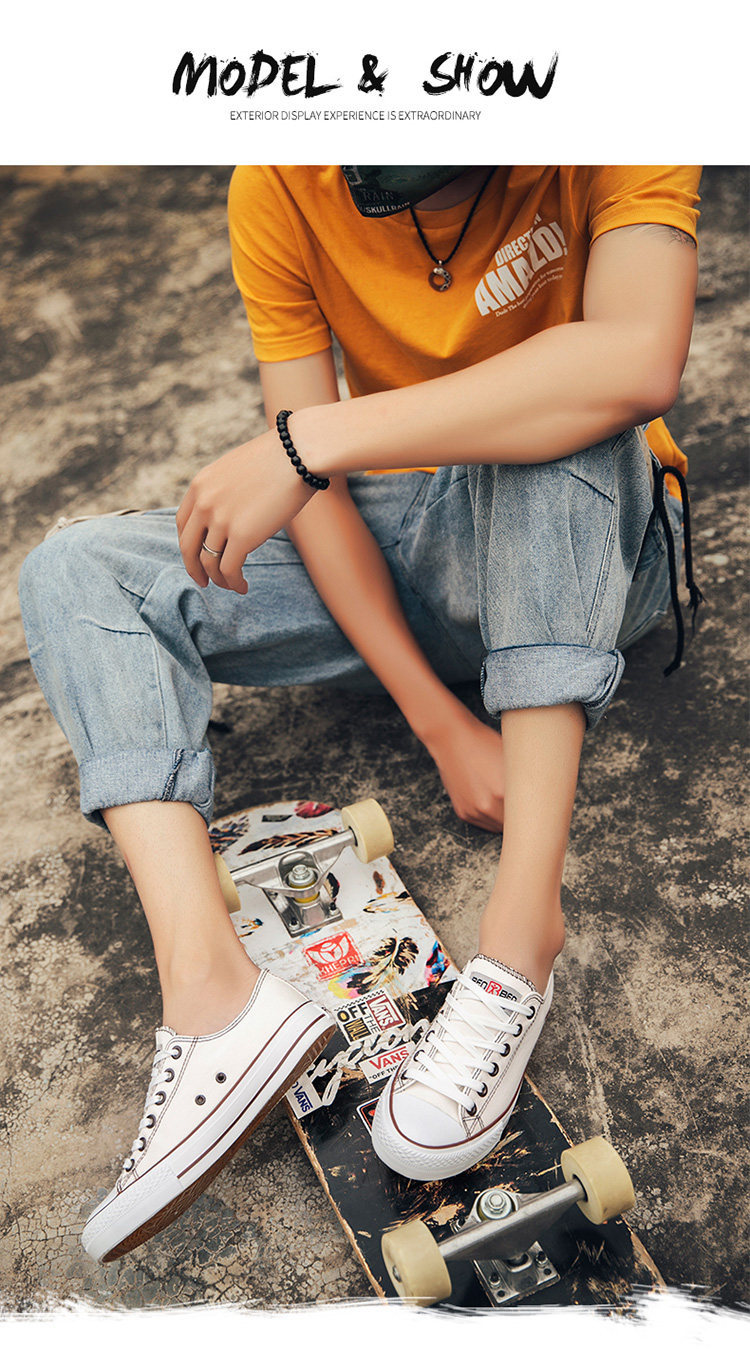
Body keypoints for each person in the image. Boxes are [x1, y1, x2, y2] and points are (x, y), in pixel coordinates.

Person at [18, 164, 702, 1255]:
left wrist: (305, 442)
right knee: (75, 571)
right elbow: (317, 490)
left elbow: (637, 357)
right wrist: (438, 720)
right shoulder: (286, 175)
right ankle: (214, 999)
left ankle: (521, 935)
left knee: (560, 400)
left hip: (590, 541)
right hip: (411, 523)